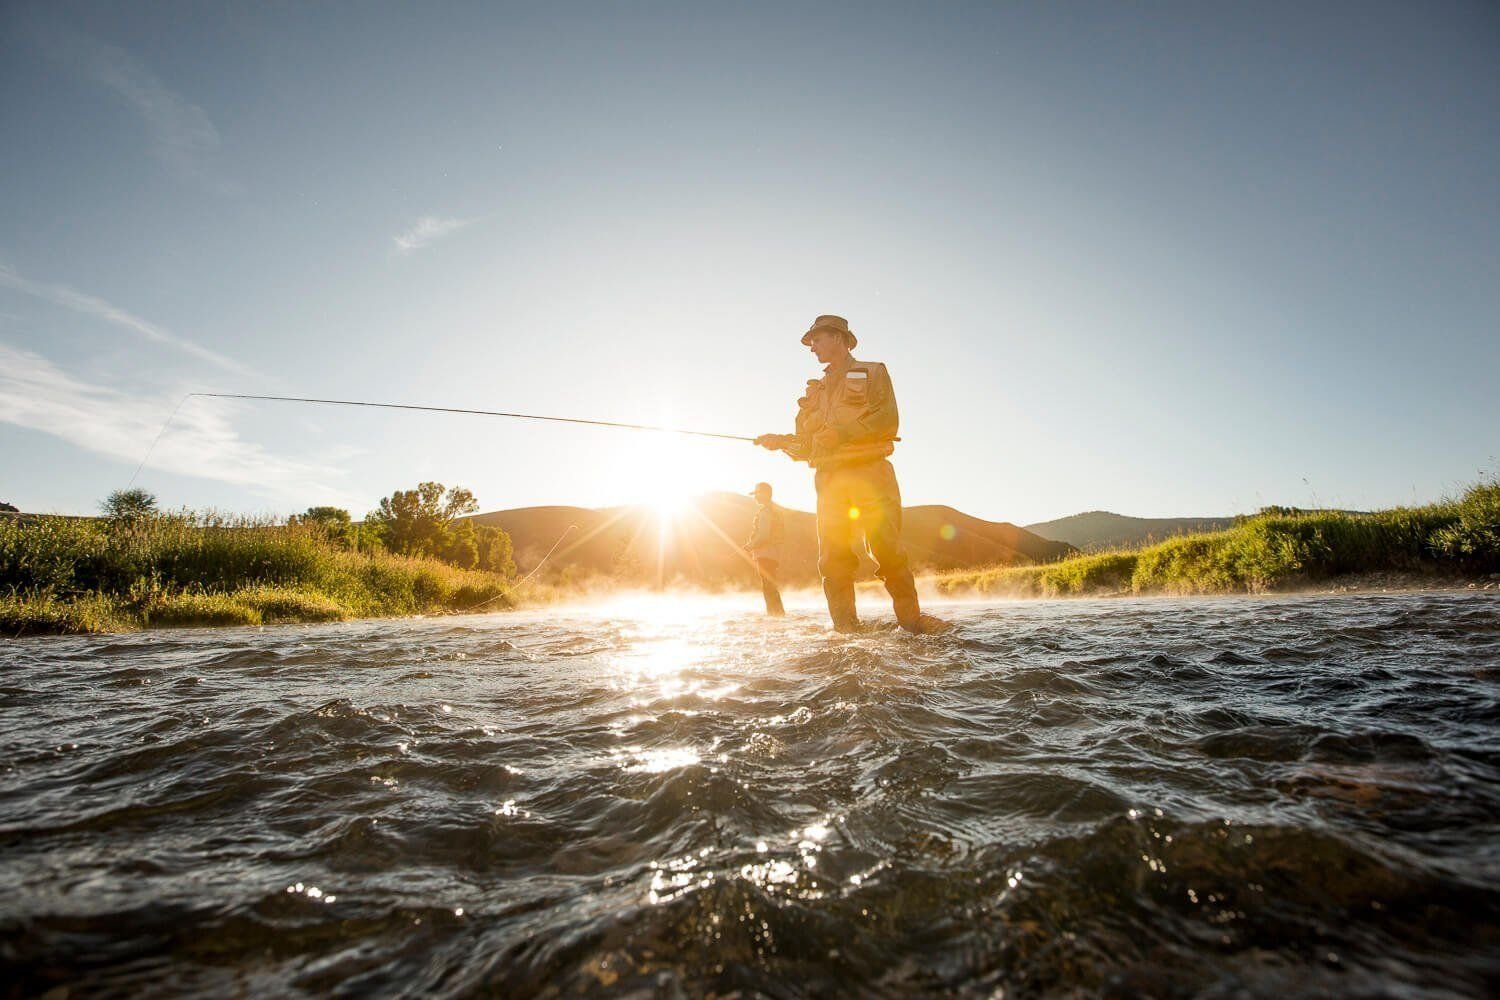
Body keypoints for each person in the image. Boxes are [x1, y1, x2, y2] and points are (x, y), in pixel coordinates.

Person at [755, 315, 947, 634]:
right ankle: (846, 630)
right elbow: (807, 444)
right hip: (829, 482)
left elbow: (888, 420)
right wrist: (781, 443)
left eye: (817, 339)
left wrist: (841, 433)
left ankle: (912, 622)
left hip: (871, 474)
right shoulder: (814, 394)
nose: (811, 347)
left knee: (885, 549)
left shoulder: (873, 372)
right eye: (811, 342)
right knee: (832, 558)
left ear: (841, 340)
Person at [743, 482, 785, 616]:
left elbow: (763, 536)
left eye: (757, 494)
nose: (755, 497)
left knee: (768, 587)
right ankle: (777, 614)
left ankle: (775, 615)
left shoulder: (766, 513)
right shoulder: (774, 511)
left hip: (765, 554)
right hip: (773, 554)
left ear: (764, 494)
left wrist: (750, 546)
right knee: (770, 586)